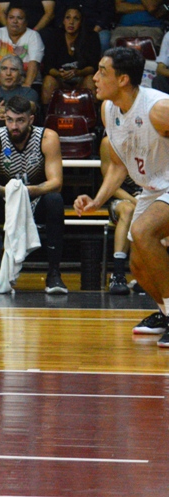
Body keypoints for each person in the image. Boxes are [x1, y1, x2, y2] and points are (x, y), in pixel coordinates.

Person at [74, 48, 169, 344]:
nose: (95, 77)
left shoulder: (158, 108)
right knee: (138, 266)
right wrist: (97, 201)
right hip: (152, 189)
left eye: (103, 71)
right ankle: (165, 313)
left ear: (124, 79)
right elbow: (117, 164)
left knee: (142, 231)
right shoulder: (108, 109)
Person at [0, 94, 65, 293]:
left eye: (20, 121)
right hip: (5, 202)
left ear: (30, 119)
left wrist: (28, 192)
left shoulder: (47, 137)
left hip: (35, 201)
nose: (14, 126)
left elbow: (56, 183)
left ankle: (54, 275)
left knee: (55, 200)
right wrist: (11, 193)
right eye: (10, 120)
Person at [98, 136, 139, 295]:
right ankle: (118, 274)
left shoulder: (153, 138)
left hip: (149, 195)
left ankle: (150, 275)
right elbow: (111, 186)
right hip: (122, 198)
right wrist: (135, 201)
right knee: (129, 210)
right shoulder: (109, 143)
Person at [40, 7, 100, 103]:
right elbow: (48, 66)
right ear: (63, 21)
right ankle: (47, 116)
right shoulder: (54, 36)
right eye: (68, 18)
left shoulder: (91, 37)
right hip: (60, 80)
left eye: (76, 19)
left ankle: (94, 116)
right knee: (48, 81)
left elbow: (93, 66)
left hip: (81, 78)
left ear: (81, 22)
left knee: (90, 81)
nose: (71, 22)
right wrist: (59, 74)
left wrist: (78, 72)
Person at [0, 54, 38, 137]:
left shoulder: (29, 92)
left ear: (20, 74)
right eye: (4, 69)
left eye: (13, 69)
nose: (8, 73)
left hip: (18, 134)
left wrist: (6, 111)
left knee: (5, 117)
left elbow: (31, 107)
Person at [0, 6, 44, 87]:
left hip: (25, 83)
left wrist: (27, 84)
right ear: (6, 20)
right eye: (11, 17)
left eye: (19, 18)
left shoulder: (33, 35)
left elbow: (34, 62)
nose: (15, 21)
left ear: (26, 22)